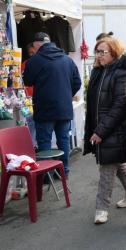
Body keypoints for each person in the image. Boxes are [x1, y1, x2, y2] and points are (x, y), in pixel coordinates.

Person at [83, 37, 126, 224]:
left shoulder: (121, 73)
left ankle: (101, 208)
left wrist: (101, 131)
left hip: (114, 130)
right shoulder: (98, 71)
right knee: (116, 163)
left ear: (113, 52)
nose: (98, 55)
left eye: (102, 52)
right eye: (97, 51)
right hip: (101, 127)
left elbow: (119, 106)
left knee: (107, 168)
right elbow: (94, 103)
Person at [23, 32, 81, 177]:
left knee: (45, 142)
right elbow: (77, 82)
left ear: (37, 45)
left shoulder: (35, 60)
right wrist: (66, 95)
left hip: (44, 109)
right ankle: (64, 172)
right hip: (64, 108)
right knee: (63, 141)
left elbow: (27, 81)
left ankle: (46, 175)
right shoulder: (67, 59)